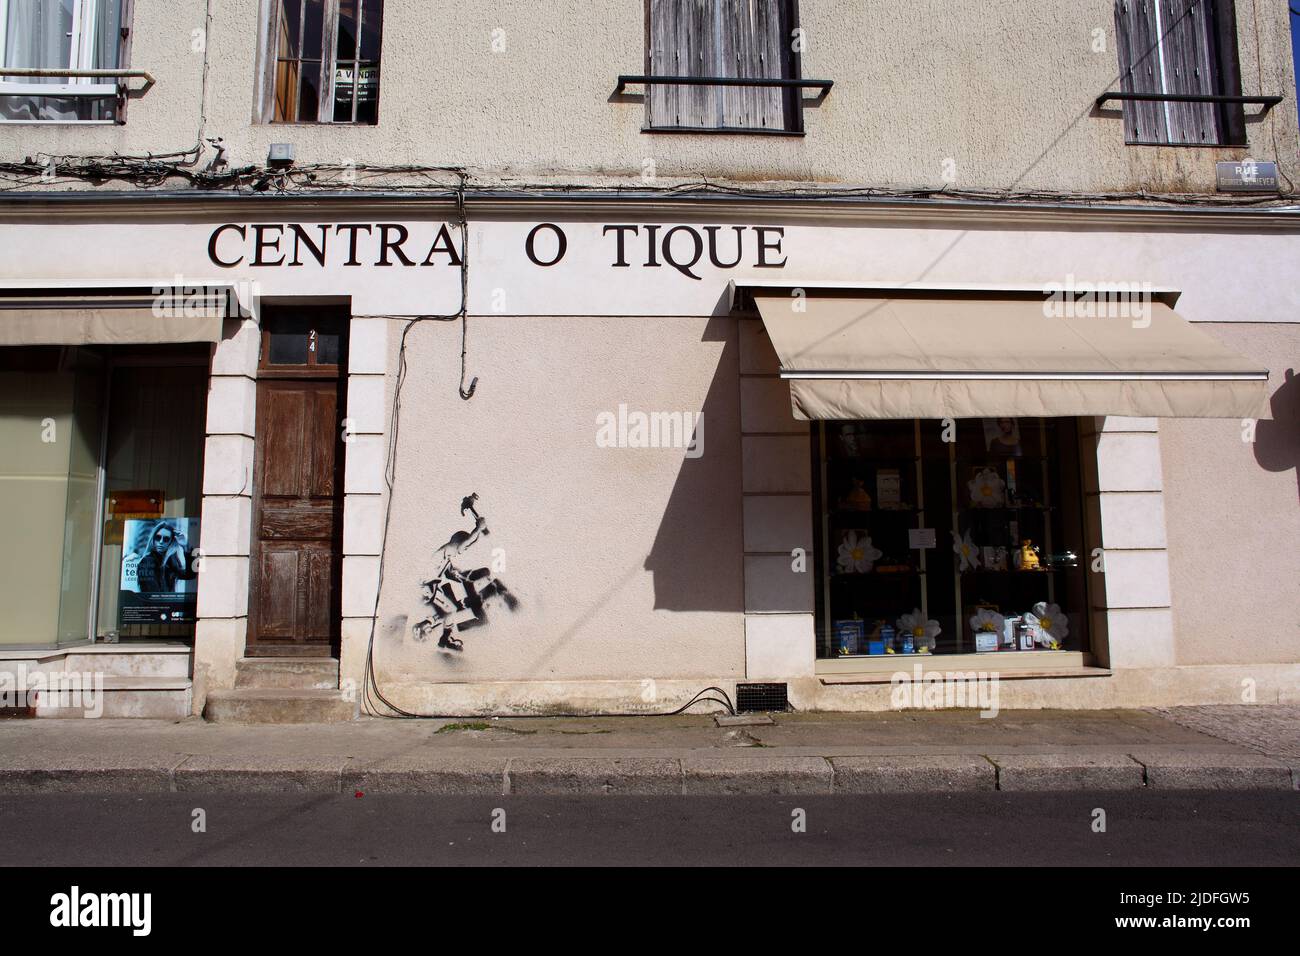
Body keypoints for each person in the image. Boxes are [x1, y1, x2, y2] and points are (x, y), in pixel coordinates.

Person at [135, 520, 198, 593]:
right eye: (158, 537)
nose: (161, 542)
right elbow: (153, 594)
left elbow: (190, 575)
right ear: (153, 539)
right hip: (157, 604)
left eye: (166, 539)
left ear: (171, 542)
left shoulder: (170, 561)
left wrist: (185, 547)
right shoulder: (147, 561)